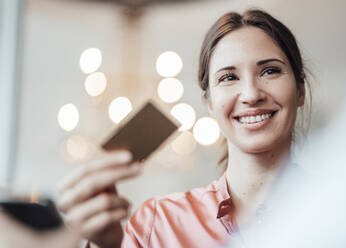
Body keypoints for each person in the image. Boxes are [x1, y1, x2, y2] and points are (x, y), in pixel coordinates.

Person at [58, 8, 310, 248]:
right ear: (209, 103)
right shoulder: (157, 223)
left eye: (269, 71)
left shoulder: (342, 210)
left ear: (300, 90)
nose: (251, 94)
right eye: (228, 77)